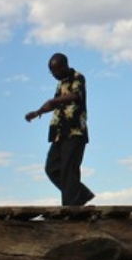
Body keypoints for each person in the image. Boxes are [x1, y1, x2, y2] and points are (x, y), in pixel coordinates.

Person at [25, 53, 95, 206]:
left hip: (75, 131)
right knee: (52, 168)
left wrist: (53, 100)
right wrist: (38, 112)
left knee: (69, 170)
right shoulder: (60, 84)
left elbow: (75, 96)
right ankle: (81, 194)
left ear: (64, 66)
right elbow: (54, 104)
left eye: (56, 71)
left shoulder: (78, 77)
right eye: (52, 72)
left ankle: (71, 206)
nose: (54, 75)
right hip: (59, 132)